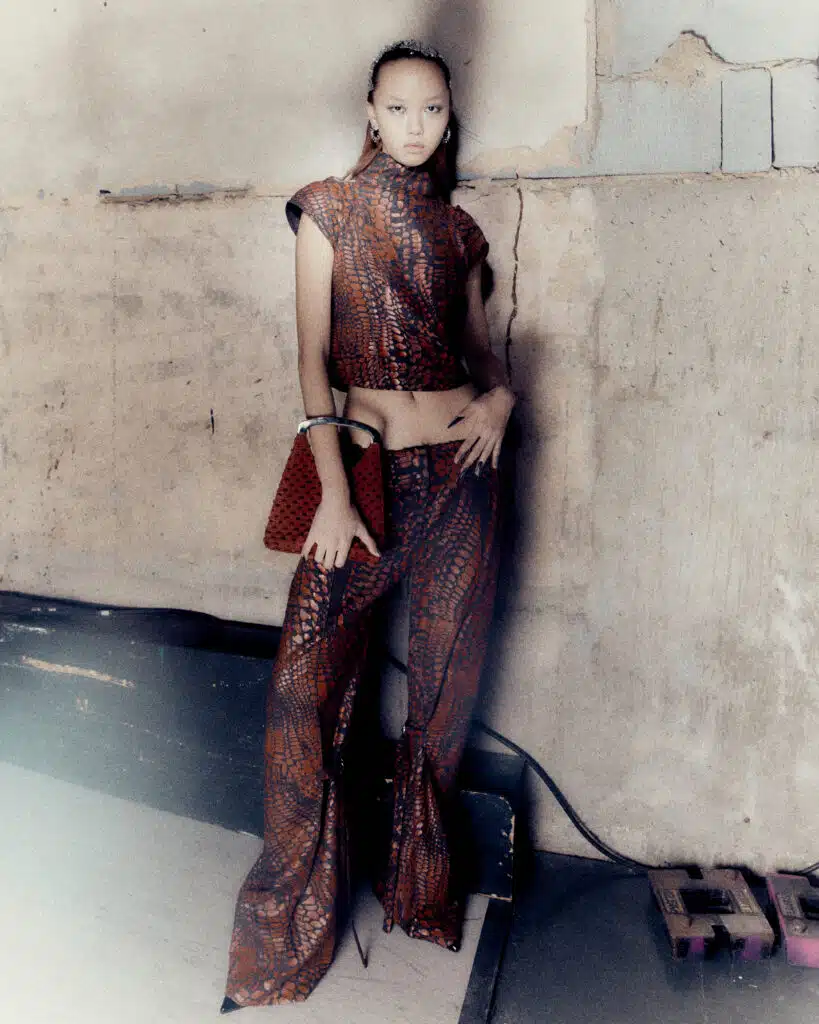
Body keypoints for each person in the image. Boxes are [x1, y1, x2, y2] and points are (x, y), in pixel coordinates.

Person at [221, 39, 515, 1011]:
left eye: (433, 110)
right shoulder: (327, 210)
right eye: (400, 108)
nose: (418, 125)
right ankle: (284, 938)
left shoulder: (462, 232)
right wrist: (335, 490)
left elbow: (481, 356)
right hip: (365, 477)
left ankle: (417, 896)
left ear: (447, 117)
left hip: (463, 482)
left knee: (441, 698)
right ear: (371, 111)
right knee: (303, 685)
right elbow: (312, 363)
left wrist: (502, 404)